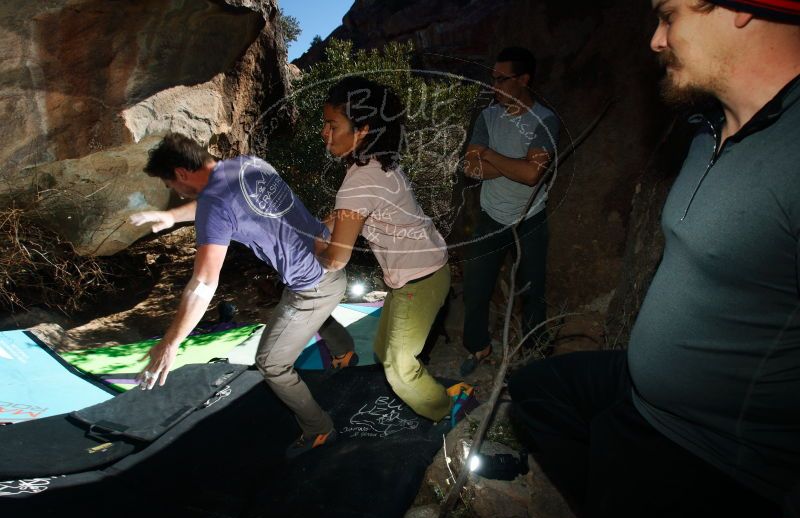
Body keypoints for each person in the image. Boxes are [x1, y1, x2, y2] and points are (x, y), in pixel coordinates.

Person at [508, 1, 800, 518]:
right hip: (645, 390)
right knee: (537, 392)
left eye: (669, 15)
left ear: (742, 9)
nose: (655, 40)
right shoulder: (708, 129)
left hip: (711, 442)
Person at [131, 132, 357, 457]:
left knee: (270, 363)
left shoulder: (214, 206)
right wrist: (170, 217)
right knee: (294, 305)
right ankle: (344, 351)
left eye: (171, 186)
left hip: (311, 286)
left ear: (181, 174)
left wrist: (170, 343)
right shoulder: (248, 164)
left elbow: (203, 284)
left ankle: (318, 430)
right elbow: (221, 201)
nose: (175, 193)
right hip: (332, 257)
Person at [315, 76, 477, 426]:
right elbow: (346, 215)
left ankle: (449, 414)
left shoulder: (359, 180)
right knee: (382, 348)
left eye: (332, 125)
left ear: (362, 130)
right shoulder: (374, 162)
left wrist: (310, 247)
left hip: (419, 280)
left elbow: (336, 258)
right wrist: (323, 226)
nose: (324, 133)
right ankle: (433, 396)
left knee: (399, 367)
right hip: (426, 269)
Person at [460, 46, 560, 375]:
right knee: (475, 286)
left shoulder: (544, 120)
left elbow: (533, 176)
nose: (494, 85)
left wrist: (488, 154)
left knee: (533, 290)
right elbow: (470, 169)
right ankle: (478, 346)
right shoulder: (488, 116)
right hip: (491, 216)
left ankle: (535, 354)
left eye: (502, 79)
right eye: (493, 78)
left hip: (530, 217)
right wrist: (512, 165)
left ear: (524, 79)